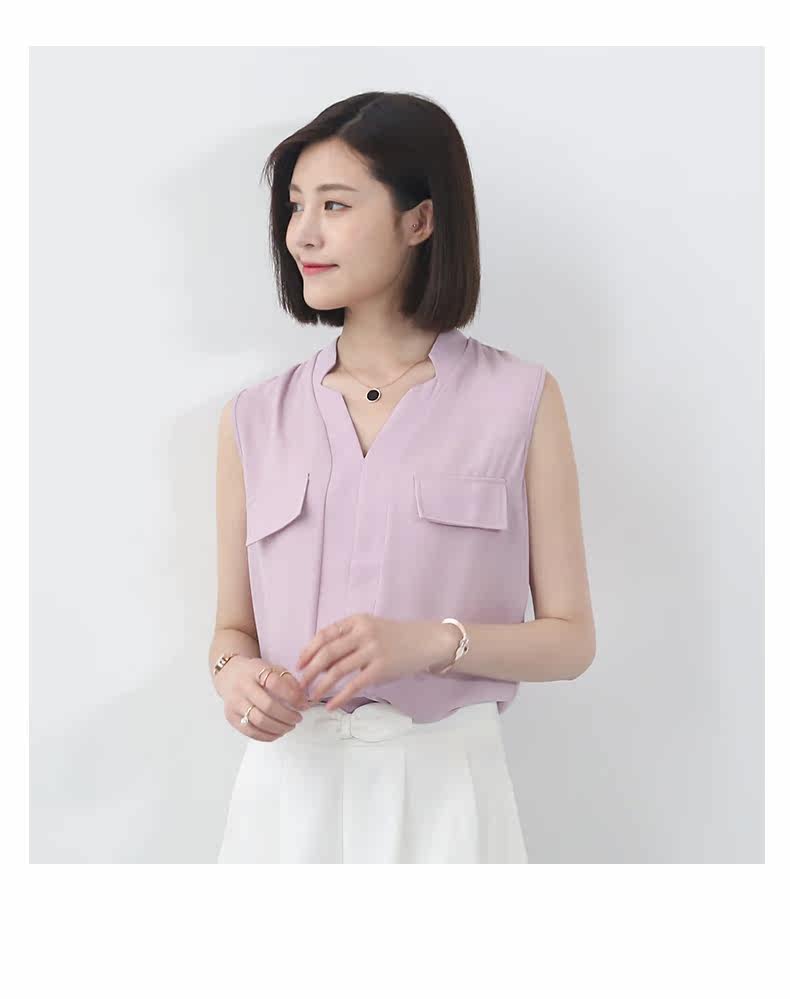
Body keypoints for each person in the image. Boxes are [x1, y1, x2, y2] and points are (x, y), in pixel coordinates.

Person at [210, 91, 596, 863]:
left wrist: (431, 642)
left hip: (444, 794)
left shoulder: (520, 400)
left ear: (419, 220)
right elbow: (231, 631)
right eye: (295, 205)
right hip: (286, 798)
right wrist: (236, 679)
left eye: (334, 204)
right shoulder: (254, 418)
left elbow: (571, 641)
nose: (302, 233)